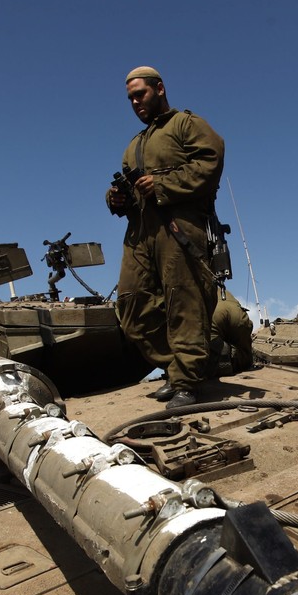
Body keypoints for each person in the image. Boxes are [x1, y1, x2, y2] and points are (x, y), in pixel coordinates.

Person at [106, 65, 225, 410]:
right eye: (130, 98)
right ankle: (176, 368)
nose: (135, 102)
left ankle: (187, 379)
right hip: (141, 231)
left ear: (159, 89)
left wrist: (162, 185)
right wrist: (115, 198)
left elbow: (210, 161)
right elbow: (129, 192)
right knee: (131, 303)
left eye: (140, 94)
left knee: (182, 299)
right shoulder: (134, 145)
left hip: (179, 225)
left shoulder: (186, 124)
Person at [210, 282, 254, 374]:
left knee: (210, 342)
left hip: (215, 311)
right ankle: (238, 361)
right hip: (238, 312)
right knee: (245, 355)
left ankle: (222, 354)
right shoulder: (222, 290)